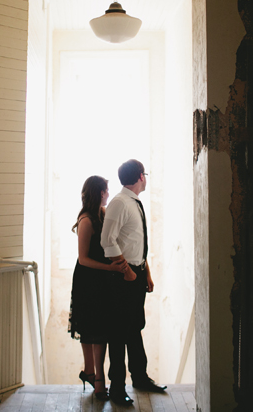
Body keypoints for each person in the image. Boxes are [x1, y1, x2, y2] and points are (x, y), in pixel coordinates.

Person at [101, 159, 167, 406]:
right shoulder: (120, 203)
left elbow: (135, 244)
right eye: (145, 174)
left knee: (134, 328)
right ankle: (117, 388)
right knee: (119, 333)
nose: (146, 178)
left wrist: (145, 273)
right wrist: (128, 271)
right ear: (141, 176)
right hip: (122, 278)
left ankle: (140, 377)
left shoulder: (133, 202)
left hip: (136, 275)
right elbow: (108, 241)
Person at [68, 175, 129, 400]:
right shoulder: (86, 220)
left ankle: (91, 373)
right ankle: (98, 379)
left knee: (97, 328)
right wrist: (110, 268)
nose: (108, 193)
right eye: (105, 190)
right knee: (92, 328)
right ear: (97, 193)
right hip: (88, 280)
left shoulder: (101, 214)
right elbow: (83, 259)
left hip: (100, 279)